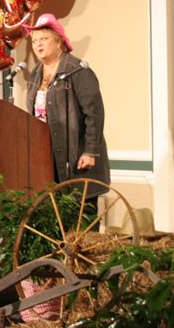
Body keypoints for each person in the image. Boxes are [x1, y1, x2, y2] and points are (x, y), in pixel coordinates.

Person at [24, 13, 110, 196]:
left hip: (77, 156)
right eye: (34, 41)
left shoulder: (77, 70)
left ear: (58, 42)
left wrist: (90, 151)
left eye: (44, 39)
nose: (38, 44)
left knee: (81, 216)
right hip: (47, 157)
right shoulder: (35, 74)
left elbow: (94, 114)